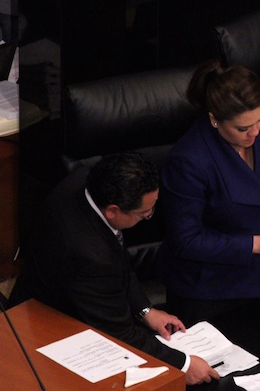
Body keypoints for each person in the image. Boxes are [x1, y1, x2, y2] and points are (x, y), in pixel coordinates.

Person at [9, 153, 219, 386]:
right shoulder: (91, 256)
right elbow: (118, 332)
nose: (150, 216)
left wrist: (145, 310)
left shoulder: (84, 179)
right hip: (48, 326)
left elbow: (117, 254)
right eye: (144, 213)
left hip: (56, 289)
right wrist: (184, 364)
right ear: (112, 211)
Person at [158, 60, 260, 324]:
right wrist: (258, 244)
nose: (255, 132)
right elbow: (186, 240)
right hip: (208, 289)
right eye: (243, 129)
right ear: (214, 120)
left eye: (258, 120)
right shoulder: (188, 161)